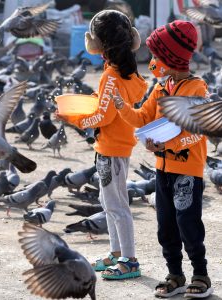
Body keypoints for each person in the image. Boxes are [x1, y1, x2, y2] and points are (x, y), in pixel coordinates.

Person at [112, 20, 213, 298]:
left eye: (157, 56)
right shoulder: (161, 87)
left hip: (187, 170)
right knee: (165, 225)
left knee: (188, 224)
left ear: (171, 58)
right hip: (162, 169)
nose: (153, 61)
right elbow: (141, 117)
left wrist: (164, 145)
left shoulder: (196, 89)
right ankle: (175, 274)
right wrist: (122, 107)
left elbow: (195, 131)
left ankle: (201, 275)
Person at [57, 9, 148, 280]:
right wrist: (99, 97)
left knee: (117, 206)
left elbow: (102, 116)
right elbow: (127, 95)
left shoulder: (110, 76)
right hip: (118, 146)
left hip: (110, 148)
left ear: (97, 45)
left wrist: (73, 117)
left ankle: (129, 261)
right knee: (107, 202)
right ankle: (116, 252)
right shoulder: (129, 73)